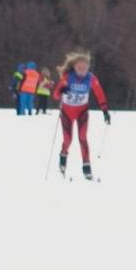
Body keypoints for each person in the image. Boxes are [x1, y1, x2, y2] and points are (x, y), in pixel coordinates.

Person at [52, 51, 110, 180]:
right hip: (67, 112)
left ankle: (86, 167)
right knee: (68, 140)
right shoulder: (67, 77)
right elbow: (55, 95)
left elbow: (99, 93)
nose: (82, 71)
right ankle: (63, 158)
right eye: (79, 68)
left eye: (85, 68)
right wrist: (62, 90)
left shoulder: (91, 78)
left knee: (83, 138)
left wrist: (105, 110)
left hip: (82, 112)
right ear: (74, 67)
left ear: (88, 67)